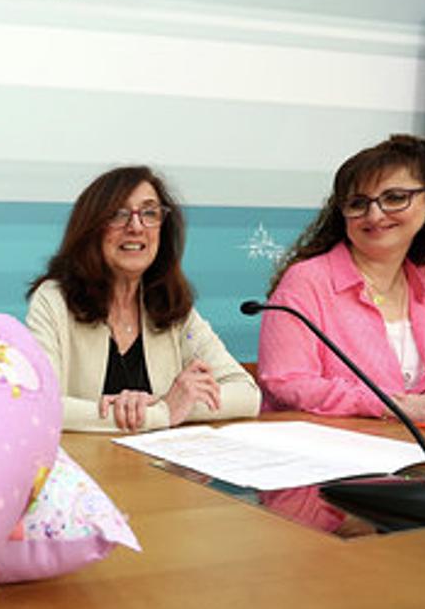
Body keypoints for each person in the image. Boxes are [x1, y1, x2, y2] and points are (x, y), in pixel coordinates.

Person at [258, 134, 425, 427]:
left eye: (395, 198)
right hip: (330, 450)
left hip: (417, 446)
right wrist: (397, 407)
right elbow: (286, 382)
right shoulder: (307, 280)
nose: (374, 214)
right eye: (358, 203)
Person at [26, 165, 260, 432]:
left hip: (156, 470)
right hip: (83, 469)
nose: (136, 227)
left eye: (149, 213)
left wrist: (172, 404)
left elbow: (247, 394)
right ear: (92, 228)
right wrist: (159, 415)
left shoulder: (171, 307)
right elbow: (40, 405)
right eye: (118, 214)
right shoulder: (54, 301)